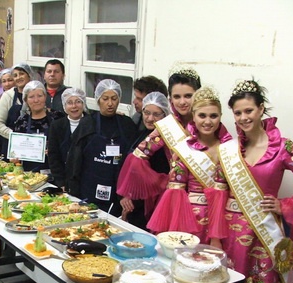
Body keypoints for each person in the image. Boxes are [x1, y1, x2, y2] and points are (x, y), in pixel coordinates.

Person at [206, 80, 293, 283]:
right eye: (237, 113)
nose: (243, 118)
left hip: (265, 234)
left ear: (261, 109)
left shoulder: (283, 147)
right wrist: (215, 236)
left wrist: (285, 204)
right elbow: (218, 191)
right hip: (232, 233)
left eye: (248, 111)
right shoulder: (230, 150)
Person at [146, 87, 232, 283]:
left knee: (213, 279)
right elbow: (175, 190)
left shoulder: (232, 149)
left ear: (220, 117)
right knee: (188, 275)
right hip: (190, 222)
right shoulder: (184, 149)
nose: (208, 121)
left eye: (213, 115)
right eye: (202, 115)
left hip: (223, 222)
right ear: (193, 117)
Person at [116, 67, 201, 227]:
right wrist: (160, 183)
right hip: (170, 201)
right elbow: (135, 161)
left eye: (188, 96)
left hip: (200, 204)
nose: (182, 102)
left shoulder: (207, 123)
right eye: (177, 96)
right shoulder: (166, 126)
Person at [66, 79, 137, 215]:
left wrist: (126, 192)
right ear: (98, 100)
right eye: (105, 99)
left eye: (114, 99)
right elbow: (74, 159)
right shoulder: (87, 123)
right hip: (88, 188)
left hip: (116, 191)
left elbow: (133, 163)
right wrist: (72, 189)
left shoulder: (127, 125)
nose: (110, 103)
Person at [117, 92, 171, 229]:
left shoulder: (166, 143)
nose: (150, 118)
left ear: (165, 115)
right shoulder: (141, 134)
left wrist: (133, 196)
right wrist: (125, 196)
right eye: (147, 112)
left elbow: (161, 179)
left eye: (156, 114)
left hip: (153, 206)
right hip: (133, 204)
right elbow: (128, 169)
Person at [12, 80, 58, 172]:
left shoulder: (57, 118)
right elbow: (16, 151)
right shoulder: (21, 122)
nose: (36, 100)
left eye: (40, 96)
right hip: (30, 175)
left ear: (45, 97)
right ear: (25, 100)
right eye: (31, 97)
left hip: (55, 171)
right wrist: (14, 158)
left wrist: (54, 151)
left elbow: (66, 145)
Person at [48, 88, 87, 188]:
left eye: (78, 102)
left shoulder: (91, 123)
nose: (74, 106)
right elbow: (53, 156)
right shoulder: (57, 125)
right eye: (69, 102)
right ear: (64, 106)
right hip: (65, 179)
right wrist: (60, 181)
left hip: (86, 179)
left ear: (83, 103)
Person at [0, 63, 33, 157]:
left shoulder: (37, 94)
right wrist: (15, 136)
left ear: (29, 75)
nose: (18, 77)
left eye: (21, 74)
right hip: (10, 145)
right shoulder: (8, 96)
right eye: (15, 75)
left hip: (32, 146)